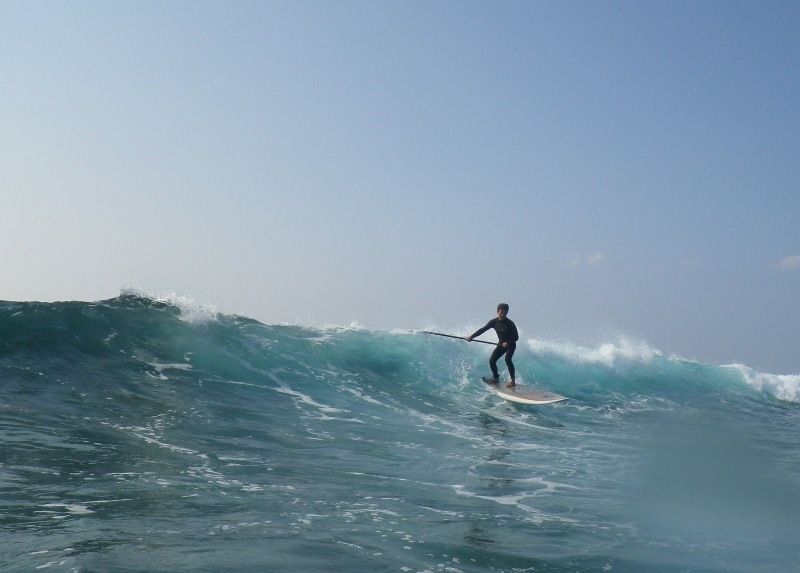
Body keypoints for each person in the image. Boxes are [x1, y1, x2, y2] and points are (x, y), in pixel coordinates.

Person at [466, 303, 519, 387]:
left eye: (504, 312)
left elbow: (516, 337)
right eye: (500, 312)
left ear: (507, 312)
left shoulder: (510, 323)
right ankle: (496, 378)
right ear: (497, 311)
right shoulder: (494, 322)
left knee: (507, 359)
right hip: (501, 344)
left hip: (511, 345)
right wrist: (471, 336)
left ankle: (513, 381)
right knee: (492, 360)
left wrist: (508, 343)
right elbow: (483, 329)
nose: (502, 314)